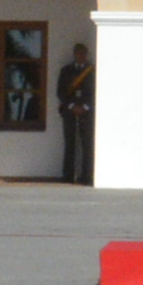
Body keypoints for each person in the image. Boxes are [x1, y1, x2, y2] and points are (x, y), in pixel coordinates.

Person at [60, 44, 97, 182]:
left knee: (87, 145)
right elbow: (61, 92)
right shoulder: (66, 71)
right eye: (78, 53)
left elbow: (96, 92)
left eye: (83, 53)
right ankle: (68, 175)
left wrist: (85, 107)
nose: (81, 56)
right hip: (70, 112)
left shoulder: (92, 71)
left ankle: (87, 176)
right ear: (74, 54)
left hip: (87, 113)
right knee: (70, 144)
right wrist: (71, 106)